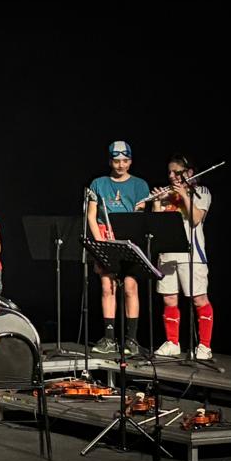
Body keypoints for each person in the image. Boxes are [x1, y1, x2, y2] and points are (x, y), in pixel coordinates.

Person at [140, 155, 213, 361]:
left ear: (189, 172)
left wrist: (183, 195)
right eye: (169, 172)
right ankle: (172, 343)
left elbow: (196, 218)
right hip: (167, 254)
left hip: (192, 254)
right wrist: (157, 202)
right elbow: (156, 225)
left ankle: (205, 346)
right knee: (169, 298)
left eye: (176, 172)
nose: (171, 176)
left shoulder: (201, 192)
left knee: (199, 299)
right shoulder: (167, 194)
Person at [86, 140, 149, 356]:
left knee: (130, 287)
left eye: (125, 160)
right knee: (108, 287)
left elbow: (139, 216)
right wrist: (100, 244)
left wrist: (129, 235)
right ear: (110, 161)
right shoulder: (98, 183)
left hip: (128, 240)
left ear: (130, 161)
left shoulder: (140, 185)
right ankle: (109, 338)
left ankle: (131, 339)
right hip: (105, 238)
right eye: (116, 161)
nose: (121, 165)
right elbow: (92, 216)